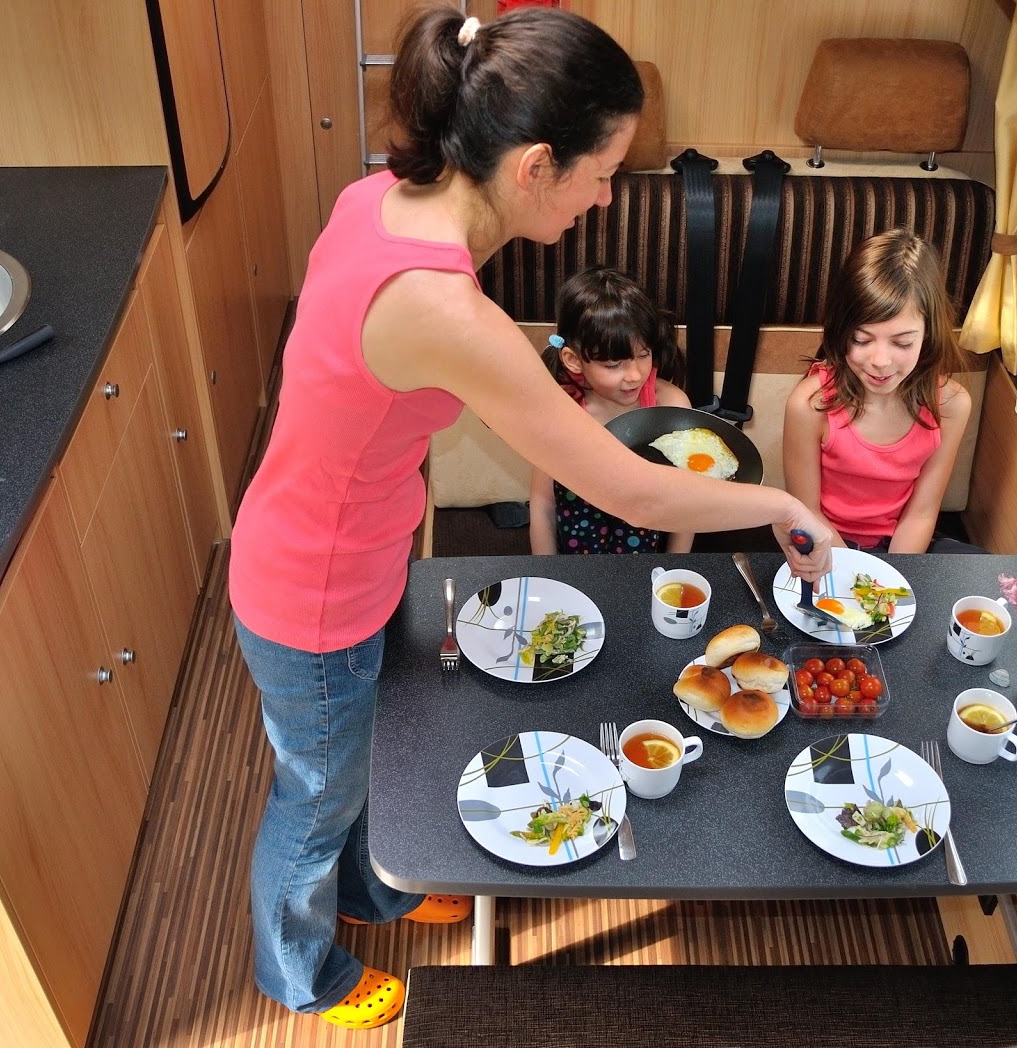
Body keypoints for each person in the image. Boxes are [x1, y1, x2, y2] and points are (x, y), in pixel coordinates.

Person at [228, 5, 832, 1031]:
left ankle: (374, 892)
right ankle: (297, 967)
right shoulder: (445, 313)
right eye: (603, 174)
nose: (604, 199)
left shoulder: (379, 197)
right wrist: (776, 497)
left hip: (346, 547)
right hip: (310, 588)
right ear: (537, 164)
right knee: (316, 789)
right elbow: (629, 487)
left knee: (364, 752)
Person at [781, 227, 980, 555]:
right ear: (841, 331)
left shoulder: (951, 405)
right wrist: (857, 577)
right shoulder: (810, 405)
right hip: (824, 544)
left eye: (903, 342)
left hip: (903, 547)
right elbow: (808, 512)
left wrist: (890, 582)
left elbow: (921, 512)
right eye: (861, 340)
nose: (881, 362)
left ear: (928, 335)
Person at [530, 267, 695, 554]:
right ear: (573, 359)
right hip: (575, 551)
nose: (634, 375)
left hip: (643, 554)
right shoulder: (560, 409)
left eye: (643, 355)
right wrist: (546, 575)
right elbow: (543, 502)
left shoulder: (671, 406)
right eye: (613, 364)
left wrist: (676, 567)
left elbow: (689, 501)